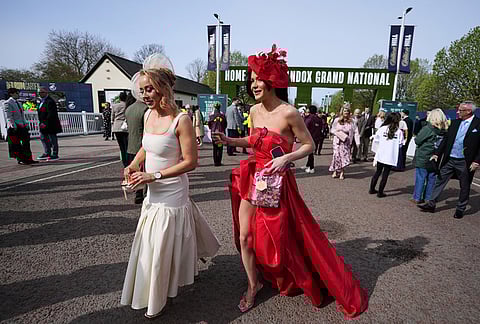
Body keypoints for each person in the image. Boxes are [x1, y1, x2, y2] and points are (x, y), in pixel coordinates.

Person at [213, 45, 367, 318]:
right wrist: (228, 141)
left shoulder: (289, 113)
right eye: (251, 80)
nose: (253, 84)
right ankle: (253, 284)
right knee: (244, 236)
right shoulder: (254, 110)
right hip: (252, 176)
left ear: (272, 81)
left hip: (277, 183)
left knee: (283, 237)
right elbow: (253, 140)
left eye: (257, 79)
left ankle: (292, 273)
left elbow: (308, 145)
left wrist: (287, 158)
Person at [121, 54, 220, 319]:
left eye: (149, 89)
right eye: (141, 90)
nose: (145, 95)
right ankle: (157, 288)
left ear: (165, 87)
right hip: (153, 192)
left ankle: (164, 291)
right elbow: (146, 146)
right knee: (152, 241)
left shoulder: (182, 120)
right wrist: (133, 165)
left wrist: (153, 176)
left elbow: (190, 162)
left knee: (164, 241)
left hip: (173, 191)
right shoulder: (148, 115)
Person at [418, 101, 480, 219]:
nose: (457, 112)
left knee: (465, 185)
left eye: (460, 110)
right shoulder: (455, 123)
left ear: (468, 111)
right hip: (450, 159)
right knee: (440, 180)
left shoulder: (478, 124)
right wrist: (437, 154)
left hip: (465, 161)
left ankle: (460, 208)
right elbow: (446, 140)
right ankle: (431, 204)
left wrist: (477, 161)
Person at [411, 109, 448, 204]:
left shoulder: (428, 128)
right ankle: (428, 197)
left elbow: (418, 140)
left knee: (421, 177)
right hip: (436, 156)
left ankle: (417, 197)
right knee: (432, 178)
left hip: (424, 155)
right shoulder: (444, 130)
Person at [369, 112, 404, 198]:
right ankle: (380, 192)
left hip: (381, 154)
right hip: (390, 156)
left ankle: (372, 188)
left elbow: (376, 140)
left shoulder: (382, 129)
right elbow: (401, 144)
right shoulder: (399, 132)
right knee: (385, 174)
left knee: (378, 172)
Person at [3, 88, 38, 165]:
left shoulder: (19, 103)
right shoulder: (7, 103)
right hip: (15, 126)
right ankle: (21, 159)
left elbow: (22, 115)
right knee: (16, 144)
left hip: (22, 125)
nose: (18, 94)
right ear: (11, 94)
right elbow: (9, 116)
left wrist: (25, 124)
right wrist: (13, 126)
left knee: (26, 143)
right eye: (16, 93)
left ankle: (29, 158)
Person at [125, 93, 148, 204]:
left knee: (135, 171)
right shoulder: (146, 109)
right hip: (143, 145)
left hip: (131, 144)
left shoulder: (129, 108)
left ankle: (138, 194)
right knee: (146, 171)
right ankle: (146, 194)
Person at [329, 103, 360, 180]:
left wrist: (357, 142)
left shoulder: (352, 121)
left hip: (346, 141)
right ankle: (335, 171)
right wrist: (337, 132)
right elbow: (332, 129)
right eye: (345, 111)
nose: (346, 112)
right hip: (338, 141)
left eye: (347, 111)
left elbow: (356, 132)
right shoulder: (337, 120)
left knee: (344, 157)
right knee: (336, 156)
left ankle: (342, 172)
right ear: (342, 112)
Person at [37, 87, 63, 160]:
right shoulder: (40, 102)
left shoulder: (50, 101)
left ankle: (55, 154)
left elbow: (51, 114)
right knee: (43, 138)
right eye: (39, 92)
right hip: (43, 124)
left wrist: (45, 122)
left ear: (46, 93)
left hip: (51, 124)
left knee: (52, 139)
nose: (40, 94)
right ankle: (47, 152)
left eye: (42, 92)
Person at [303, 105, 323, 173]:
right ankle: (308, 165)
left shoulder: (309, 118)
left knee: (310, 153)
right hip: (317, 137)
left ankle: (311, 167)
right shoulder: (319, 119)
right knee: (311, 152)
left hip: (309, 137)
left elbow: (305, 127)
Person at [111, 92, 129, 167]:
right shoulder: (127, 105)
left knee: (121, 146)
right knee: (126, 146)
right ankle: (128, 161)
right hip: (124, 126)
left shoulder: (115, 106)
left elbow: (112, 116)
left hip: (116, 126)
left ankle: (124, 162)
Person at [208, 102, 227, 166]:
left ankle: (215, 162)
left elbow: (209, 125)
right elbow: (225, 124)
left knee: (215, 148)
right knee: (220, 148)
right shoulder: (222, 115)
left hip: (213, 133)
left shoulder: (211, 115)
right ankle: (219, 161)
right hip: (221, 133)